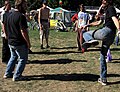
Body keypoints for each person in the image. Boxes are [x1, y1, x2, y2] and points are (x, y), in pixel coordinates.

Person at [82, 0, 120, 85]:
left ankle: (90, 41)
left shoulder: (110, 8)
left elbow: (115, 19)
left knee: (85, 33)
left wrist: (119, 29)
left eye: (104, 1)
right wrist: (88, 25)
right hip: (110, 37)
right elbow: (98, 22)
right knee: (103, 56)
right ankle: (103, 79)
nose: (102, 2)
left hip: (106, 32)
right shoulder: (107, 12)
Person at [3, 0, 31, 81]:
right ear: (20, 6)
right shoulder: (21, 16)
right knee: (23, 58)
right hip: (19, 42)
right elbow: (23, 31)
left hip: (11, 41)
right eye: (24, 5)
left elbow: (5, 26)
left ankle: (7, 73)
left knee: (13, 57)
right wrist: (28, 43)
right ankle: (17, 76)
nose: (26, 7)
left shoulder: (9, 15)